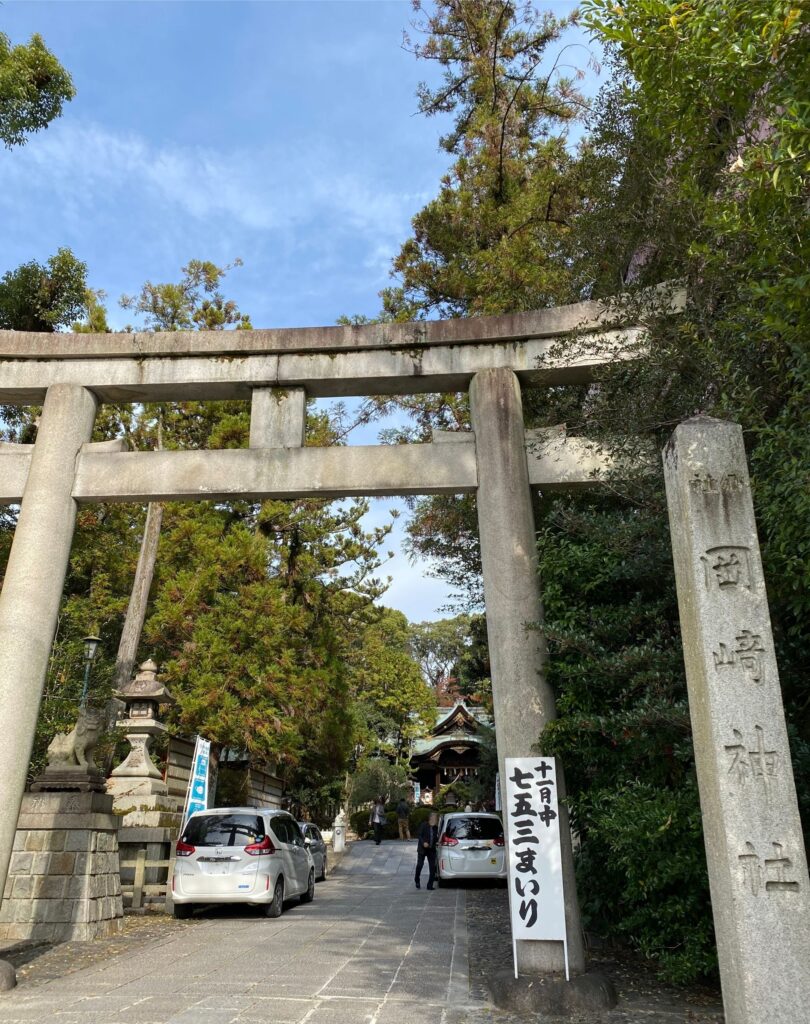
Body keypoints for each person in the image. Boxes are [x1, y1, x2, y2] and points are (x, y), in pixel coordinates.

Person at [415, 812, 438, 890]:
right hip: (422, 849)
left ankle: (430, 885)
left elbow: (436, 837)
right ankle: (417, 879)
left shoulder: (436, 828)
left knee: (432, 867)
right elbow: (419, 835)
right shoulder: (424, 825)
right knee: (420, 865)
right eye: (435, 818)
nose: (436, 820)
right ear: (430, 818)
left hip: (431, 849)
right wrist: (423, 842)